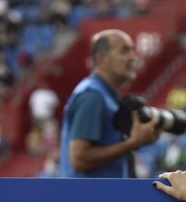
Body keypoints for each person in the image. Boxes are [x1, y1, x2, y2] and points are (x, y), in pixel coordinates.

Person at [58, 29, 160, 177]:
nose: (133, 57)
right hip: (88, 198)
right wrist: (132, 143)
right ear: (101, 59)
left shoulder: (108, 96)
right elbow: (79, 159)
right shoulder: (92, 96)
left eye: (133, 50)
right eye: (124, 51)